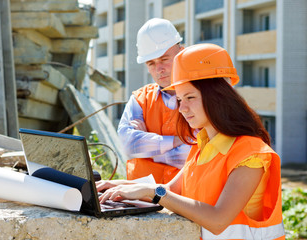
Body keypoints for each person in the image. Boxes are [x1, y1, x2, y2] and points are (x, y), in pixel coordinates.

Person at [98, 43, 285, 239]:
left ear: (218, 96)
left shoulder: (251, 154)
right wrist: (118, 186)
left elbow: (218, 220)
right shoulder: (201, 146)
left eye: (190, 97)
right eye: (179, 99)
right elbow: (169, 190)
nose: (182, 108)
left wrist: (152, 191)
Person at [117, 18, 191, 184]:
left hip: (188, 202)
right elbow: (127, 145)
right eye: (151, 63)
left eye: (164, 59)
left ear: (181, 52)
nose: (159, 69)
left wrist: (147, 149)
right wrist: (179, 141)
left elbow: (197, 155)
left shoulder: (202, 96)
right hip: (141, 202)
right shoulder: (140, 99)